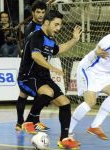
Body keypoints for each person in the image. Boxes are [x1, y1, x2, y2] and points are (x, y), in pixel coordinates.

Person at [17, 10, 82, 149]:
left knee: (65, 103)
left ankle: (64, 139)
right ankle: (29, 121)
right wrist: (53, 68)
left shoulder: (50, 40)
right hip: (28, 76)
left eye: (60, 25)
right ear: (47, 22)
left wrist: (74, 40)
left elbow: (59, 49)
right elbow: (36, 56)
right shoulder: (36, 36)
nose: (58, 28)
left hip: (44, 77)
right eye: (56, 24)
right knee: (48, 92)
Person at [69, 19, 110, 141]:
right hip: (89, 69)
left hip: (103, 74)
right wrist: (97, 51)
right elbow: (95, 52)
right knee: (90, 102)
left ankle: (94, 126)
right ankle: (67, 131)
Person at [16, 1, 48, 132]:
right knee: (38, 94)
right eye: (38, 12)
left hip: (36, 67)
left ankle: (21, 123)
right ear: (33, 13)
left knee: (24, 94)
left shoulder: (40, 26)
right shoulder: (32, 28)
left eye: (43, 12)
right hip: (31, 68)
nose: (41, 15)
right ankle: (32, 121)